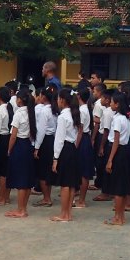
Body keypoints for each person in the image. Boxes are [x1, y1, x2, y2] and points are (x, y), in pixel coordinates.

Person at [5, 88, 38, 219]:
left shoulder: (18, 113)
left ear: (20, 100)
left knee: (21, 180)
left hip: (19, 144)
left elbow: (13, 135)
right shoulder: (31, 112)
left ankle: (20, 210)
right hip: (28, 145)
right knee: (27, 179)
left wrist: (9, 149)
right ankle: (23, 207)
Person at [50, 87, 82, 222]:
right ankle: (68, 213)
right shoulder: (74, 114)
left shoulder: (63, 116)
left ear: (62, 100)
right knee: (71, 184)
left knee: (65, 184)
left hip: (65, 149)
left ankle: (63, 214)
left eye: (58, 98)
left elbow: (59, 139)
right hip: (72, 149)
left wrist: (55, 158)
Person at [103, 92, 130, 225]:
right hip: (124, 151)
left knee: (117, 187)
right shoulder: (126, 118)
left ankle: (117, 217)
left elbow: (116, 140)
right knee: (122, 186)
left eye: (112, 102)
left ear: (117, 104)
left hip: (117, 151)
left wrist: (110, 159)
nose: (110, 104)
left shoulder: (118, 119)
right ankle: (121, 216)